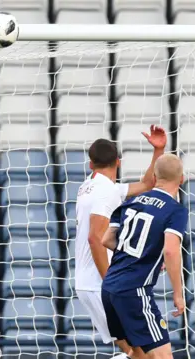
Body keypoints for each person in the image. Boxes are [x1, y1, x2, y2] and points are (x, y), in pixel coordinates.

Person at [73, 125, 166, 357]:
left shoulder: (90, 186)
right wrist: (111, 283)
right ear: (119, 161)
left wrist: (158, 151)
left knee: (136, 351)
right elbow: (95, 239)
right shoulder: (106, 192)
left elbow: (147, 184)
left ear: (90, 165)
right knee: (141, 352)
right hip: (100, 283)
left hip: (89, 282)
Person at [101, 154, 188, 359]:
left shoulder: (131, 202)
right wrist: (178, 294)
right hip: (134, 292)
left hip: (110, 288)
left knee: (140, 355)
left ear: (155, 176)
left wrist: (143, 254)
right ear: (181, 179)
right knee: (163, 356)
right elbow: (170, 250)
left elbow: (107, 239)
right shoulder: (175, 210)